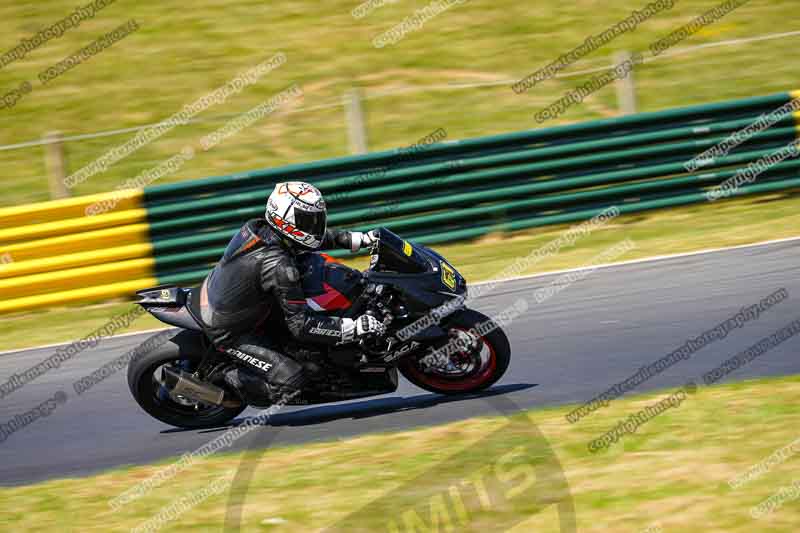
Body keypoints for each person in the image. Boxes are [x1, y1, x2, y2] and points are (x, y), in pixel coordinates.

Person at [190, 181, 385, 404]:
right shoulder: (279, 267)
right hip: (232, 331)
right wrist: (354, 327)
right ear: (287, 220)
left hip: (237, 302)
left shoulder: (258, 227)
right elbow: (301, 326)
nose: (315, 225)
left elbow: (308, 238)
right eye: (308, 220)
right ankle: (222, 384)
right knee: (292, 382)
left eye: (316, 219)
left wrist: (355, 238)